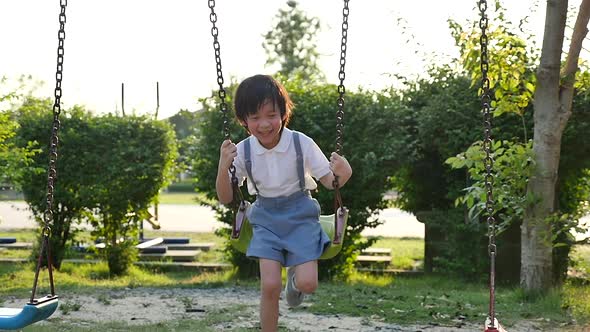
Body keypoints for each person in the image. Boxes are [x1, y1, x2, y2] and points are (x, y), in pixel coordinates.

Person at [215, 74, 352, 331]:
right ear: (244, 120)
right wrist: (224, 166)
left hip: (301, 216)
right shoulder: (243, 151)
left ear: (283, 112)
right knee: (269, 286)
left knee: (308, 284)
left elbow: (330, 182)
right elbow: (226, 197)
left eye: (271, 115)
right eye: (255, 118)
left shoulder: (301, 143)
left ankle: (295, 278)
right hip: (265, 219)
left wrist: (345, 172)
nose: (264, 124)